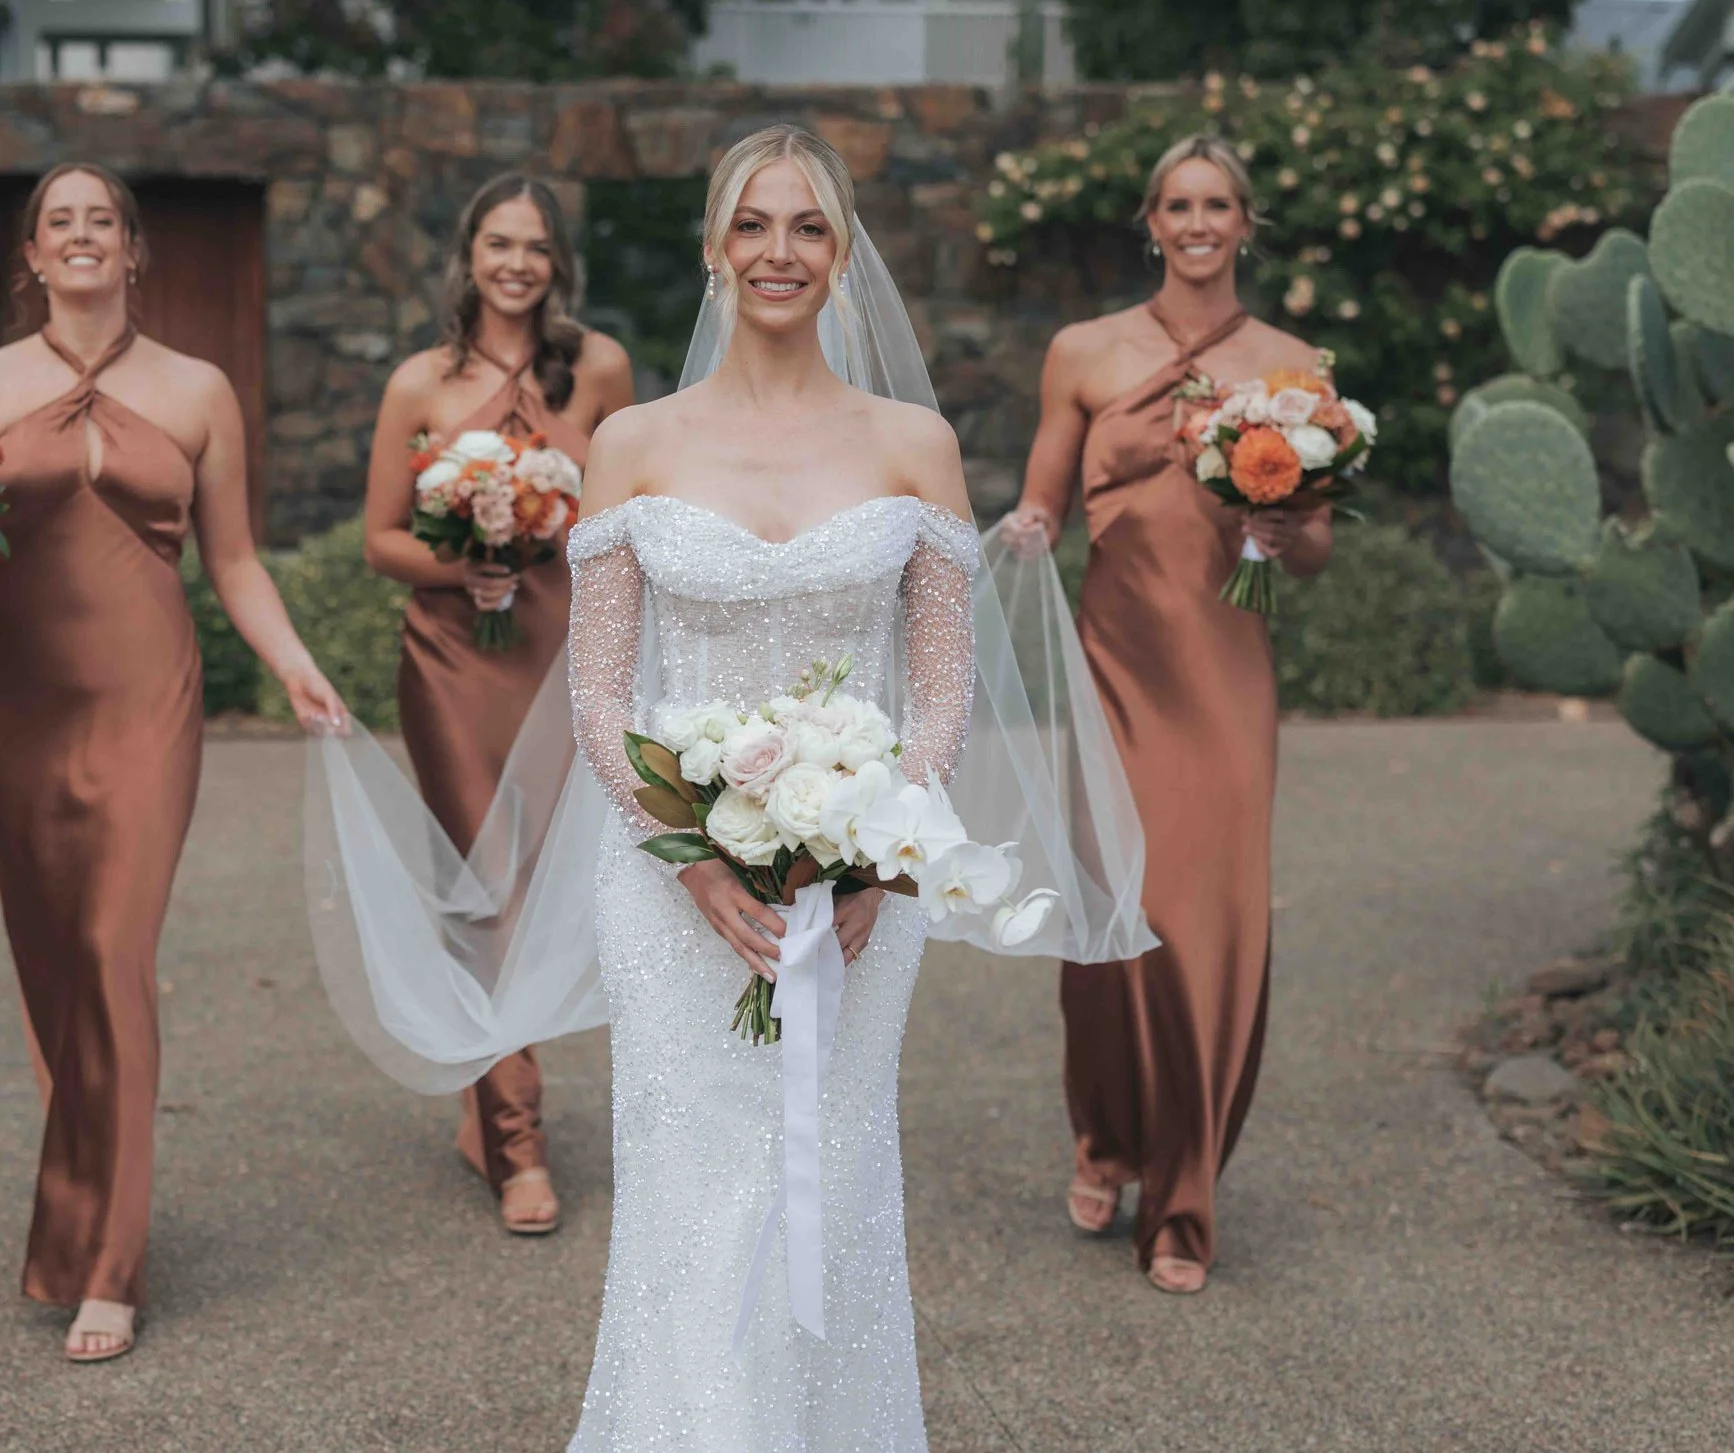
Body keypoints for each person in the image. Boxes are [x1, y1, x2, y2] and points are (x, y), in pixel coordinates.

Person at [558, 126, 1149, 1448]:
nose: (781, 252)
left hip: (867, 881)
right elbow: (600, 694)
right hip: (671, 881)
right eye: (755, 224)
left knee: (828, 1170)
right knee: (693, 1186)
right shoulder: (634, 445)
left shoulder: (914, 443)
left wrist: (877, 853)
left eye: (809, 227)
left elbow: (940, 693)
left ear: (843, 254)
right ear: (716, 247)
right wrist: (697, 862)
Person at [0, 162, 348, 1362]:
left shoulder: (198, 391)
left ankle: (110, 1263)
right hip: (16, 701)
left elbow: (233, 562)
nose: (80, 238)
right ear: (30, 255)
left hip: (150, 698)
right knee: (47, 962)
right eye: (58, 223)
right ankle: (96, 1184)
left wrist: (292, 662)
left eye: (102, 222)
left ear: (134, 252)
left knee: (112, 951)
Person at [996, 133, 1333, 1296]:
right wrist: (1023, 532)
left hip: (1227, 678)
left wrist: (1291, 533)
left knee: (1214, 924)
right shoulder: (1083, 353)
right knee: (1110, 923)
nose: (1198, 223)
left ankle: (1183, 1201)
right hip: (1115, 670)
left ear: (1247, 224)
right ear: (1152, 221)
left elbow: (1319, 549)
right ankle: (1104, 1137)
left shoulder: (1293, 364)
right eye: (1178, 205)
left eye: (1219, 205)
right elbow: (1043, 502)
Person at [359, 175, 634, 1234]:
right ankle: (517, 1145)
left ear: (557, 262)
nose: (515, 263)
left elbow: (633, 504)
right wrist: (459, 563)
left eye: (534, 247)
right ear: (467, 254)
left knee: (562, 887)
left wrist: (550, 532)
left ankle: (491, 1105)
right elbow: (379, 535)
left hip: (566, 651)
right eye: (496, 243)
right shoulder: (419, 382)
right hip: (453, 663)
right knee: (483, 891)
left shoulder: (599, 368)